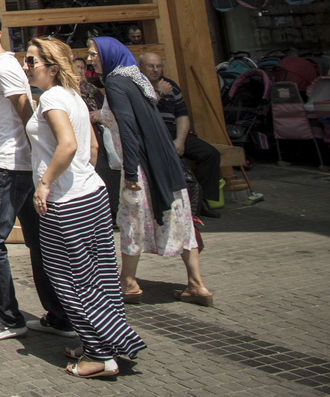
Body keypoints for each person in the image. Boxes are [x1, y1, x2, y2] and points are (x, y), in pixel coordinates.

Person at [26, 37, 145, 379]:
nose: (26, 67)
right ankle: (103, 342)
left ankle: (100, 356)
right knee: (100, 276)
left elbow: (68, 144)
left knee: (70, 279)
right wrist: (81, 177)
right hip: (91, 194)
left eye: (32, 61)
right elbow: (91, 148)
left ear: (52, 68)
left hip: (66, 202)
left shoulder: (51, 98)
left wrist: (46, 183)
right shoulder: (73, 95)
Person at [0, 8, 74, 341]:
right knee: (37, 241)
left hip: (13, 166)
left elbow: (25, 111)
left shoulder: (3, 66)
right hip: (19, 163)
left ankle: (10, 318)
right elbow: (8, 117)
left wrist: (38, 155)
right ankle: (59, 316)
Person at [88, 37, 214, 309]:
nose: (89, 59)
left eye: (94, 54)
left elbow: (128, 127)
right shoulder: (134, 80)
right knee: (179, 218)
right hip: (165, 163)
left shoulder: (116, 83)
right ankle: (196, 284)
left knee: (132, 220)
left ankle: (128, 283)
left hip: (142, 165)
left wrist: (131, 173)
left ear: (109, 55)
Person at [138, 52, 222, 217]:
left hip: (173, 130)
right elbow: (142, 112)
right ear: (141, 67)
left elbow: (182, 116)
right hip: (152, 132)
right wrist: (159, 93)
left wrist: (180, 141)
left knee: (210, 154)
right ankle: (176, 204)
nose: (155, 70)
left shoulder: (171, 85)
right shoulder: (138, 86)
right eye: (151, 66)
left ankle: (202, 201)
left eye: (159, 66)